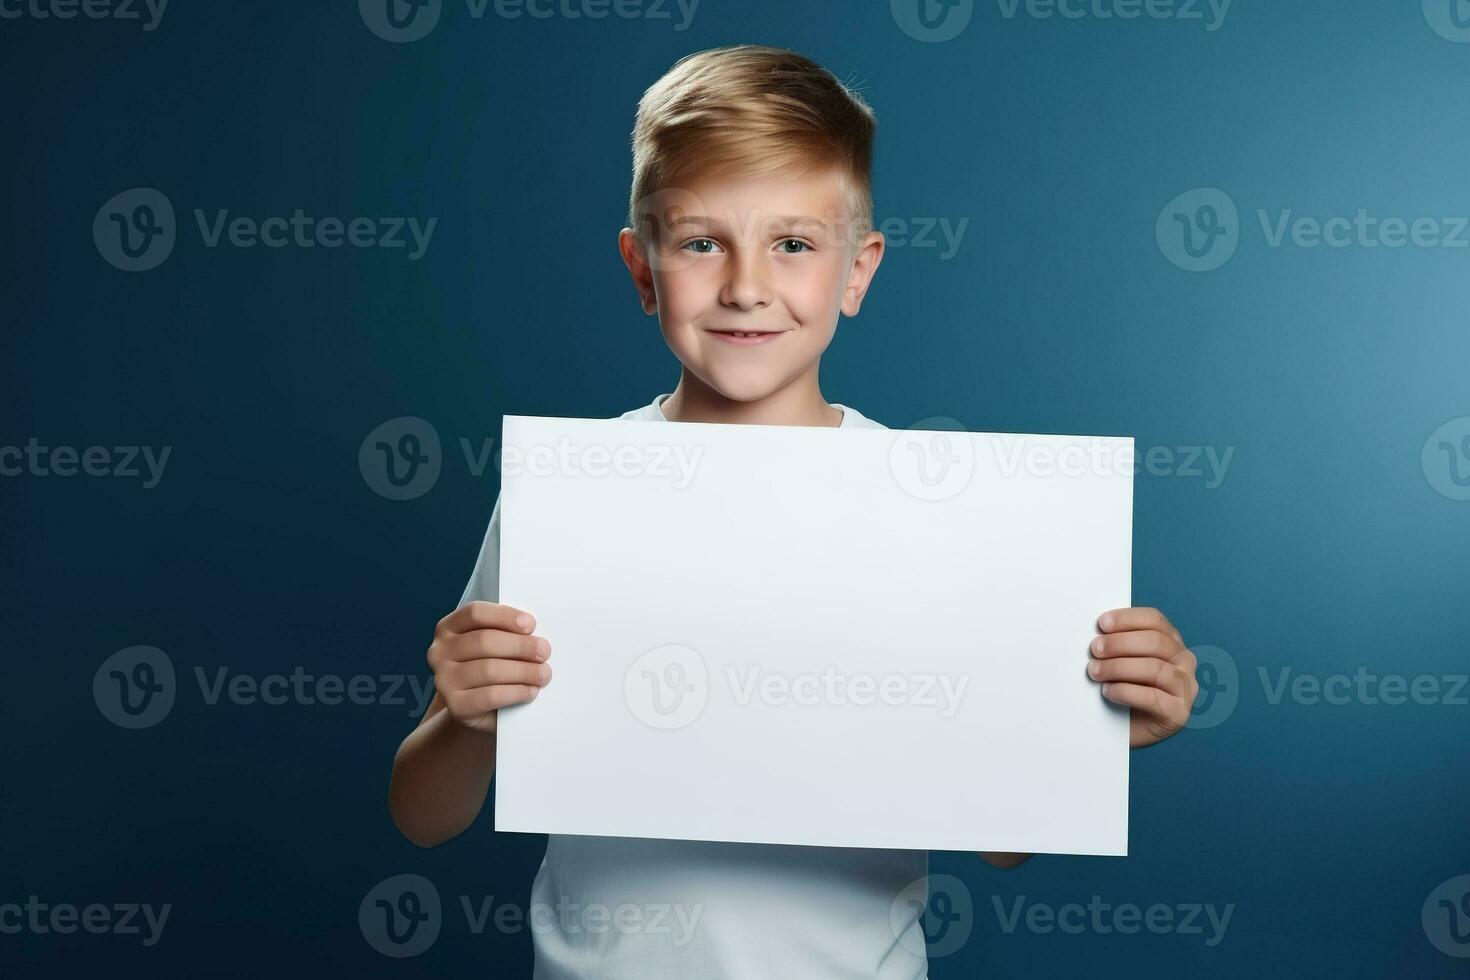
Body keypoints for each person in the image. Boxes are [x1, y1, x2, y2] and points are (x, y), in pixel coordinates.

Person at [388, 43, 1199, 978]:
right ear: (643, 268)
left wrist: (1092, 729)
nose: (745, 285)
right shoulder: (574, 492)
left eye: (794, 244)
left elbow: (1001, 843)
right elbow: (422, 815)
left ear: (857, 271)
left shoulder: (932, 511)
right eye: (700, 242)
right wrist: (469, 716)